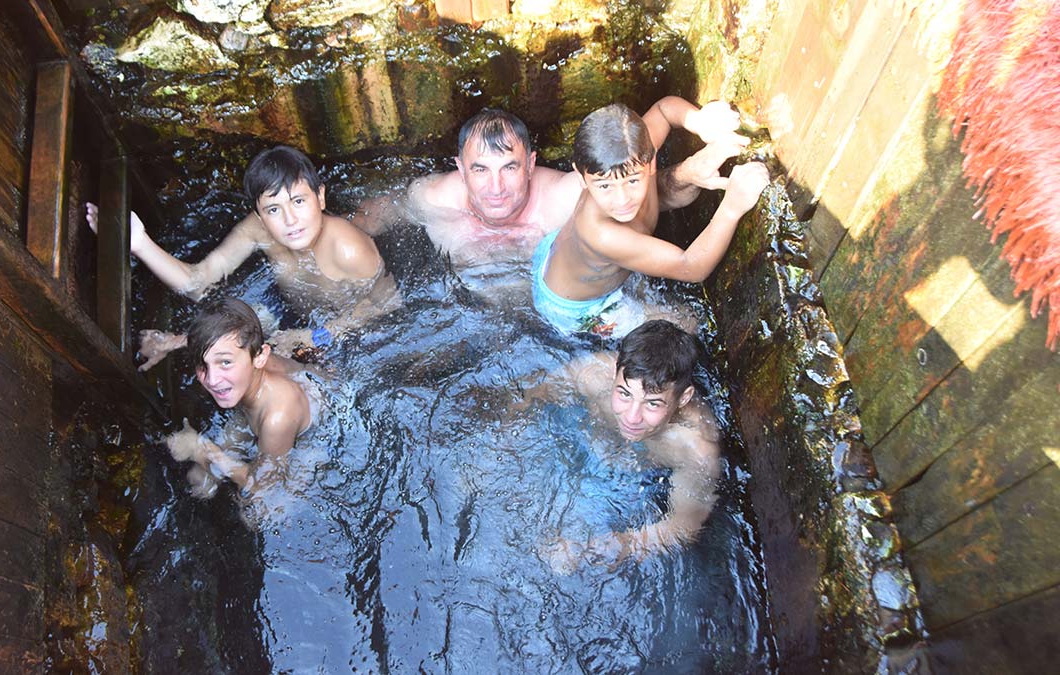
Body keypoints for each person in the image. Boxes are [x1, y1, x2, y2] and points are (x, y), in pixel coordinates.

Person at [86, 145, 399, 367]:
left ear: (320, 197)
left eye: (299, 201)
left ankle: (178, 342)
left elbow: (388, 303)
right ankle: (179, 341)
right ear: (260, 215)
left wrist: (316, 336)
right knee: (247, 318)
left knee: (267, 366)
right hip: (290, 314)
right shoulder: (257, 229)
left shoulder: (347, 248)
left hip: (345, 334)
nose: (290, 220)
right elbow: (197, 283)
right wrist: (139, 243)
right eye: (274, 209)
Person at [353, 98, 749, 269]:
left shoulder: (565, 195)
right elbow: (382, 210)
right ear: (460, 168)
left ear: (531, 164)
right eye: (480, 170)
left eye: (509, 167)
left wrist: (696, 132)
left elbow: (643, 187)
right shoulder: (433, 198)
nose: (495, 187)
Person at [532, 103, 769, 337]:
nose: (622, 199)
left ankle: (686, 173)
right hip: (576, 307)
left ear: (651, 160)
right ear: (581, 176)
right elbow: (692, 268)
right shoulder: (602, 234)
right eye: (604, 186)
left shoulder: (633, 149)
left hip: (562, 254)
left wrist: (699, 122)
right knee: (688, 323)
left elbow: (664, 110)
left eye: (633, 180)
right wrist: (732, 206)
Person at [518, 319, 721, 572]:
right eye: (624, 393)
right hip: (582, 451)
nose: (631, 417)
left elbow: (683, 526)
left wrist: (615, 546)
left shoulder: (695, 448)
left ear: (684, 398)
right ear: (615, 373)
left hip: (641, 485)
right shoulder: (593, 374)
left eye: (653, 403)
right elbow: (530, 398)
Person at [164, 297, 326, 499]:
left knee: (258, 510)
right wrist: (168, 343)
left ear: (260, 357)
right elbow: (213, 346)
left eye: (225, 362)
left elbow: (263, 485)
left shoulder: (277, 419)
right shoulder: (247, 359)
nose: (212, 380)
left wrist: (200, 450)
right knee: (200, 479)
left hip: (312, 430)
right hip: (258, 402)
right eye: (202, 365)